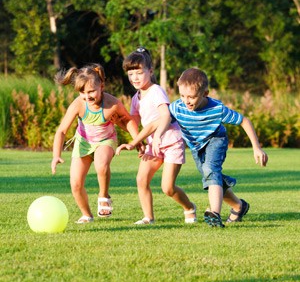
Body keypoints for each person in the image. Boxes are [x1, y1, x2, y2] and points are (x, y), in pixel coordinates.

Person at [149, 67, 269, 227]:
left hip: (216, 139)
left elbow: (244, 121)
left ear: (205, 93)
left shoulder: (216, 109)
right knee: (211, 177)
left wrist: (257, 148)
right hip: (196, 146)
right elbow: (162, 120)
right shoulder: (178, 107)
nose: (186, 101)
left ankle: (215, 213)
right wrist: (150, 137)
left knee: (211, 170)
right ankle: (239, 206)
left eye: (191, 97)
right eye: (182, 95)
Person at [116, 47, 197, 225]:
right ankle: (148, 217)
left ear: (150, 71)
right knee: (141, 179)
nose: (135, 78)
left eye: (139, 72)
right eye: (131, 74)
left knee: (167, 188)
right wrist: (117, 122)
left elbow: (165, 115)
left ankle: (189, 207)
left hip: (171, 141)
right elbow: (133, 123)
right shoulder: (136, 97)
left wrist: (158, 135)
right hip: (153, 144)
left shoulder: (156, 91)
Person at [51, 63, 140, 224]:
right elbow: (61, 131)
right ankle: (86, 215)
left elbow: (128, 121)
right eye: (82, 92)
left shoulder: (112, 103)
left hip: (106, 141)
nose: (87, 96)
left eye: (91, 91)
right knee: (76, 184)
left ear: (102, 86)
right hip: (83, 143)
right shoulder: (79, 104)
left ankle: (103, 195)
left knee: (101, 165)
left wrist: (137, 141)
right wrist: (56, 155)